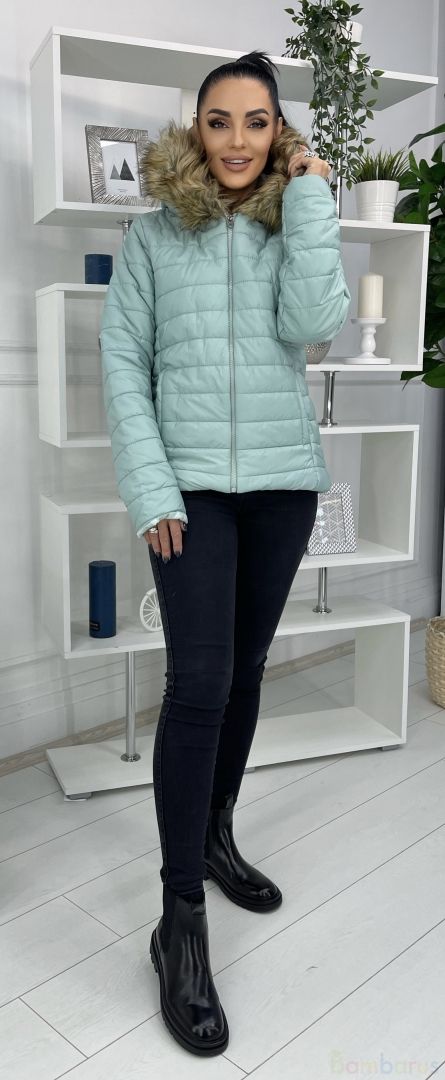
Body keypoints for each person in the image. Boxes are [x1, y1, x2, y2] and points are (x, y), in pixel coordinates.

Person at [99, 49, 351, 1057]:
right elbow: (123, 363)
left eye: (256, 121)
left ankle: (214, 833)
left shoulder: (293, 218)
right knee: (198, 682)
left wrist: (314, 199)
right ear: (195, 129)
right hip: (191, 491)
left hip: (282, 486)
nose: (236, 140)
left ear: (278, 132)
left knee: (245, 672)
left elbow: (314, 324)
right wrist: (152, 488)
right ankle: (179, 920)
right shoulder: (154, 234)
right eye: (218, 120)